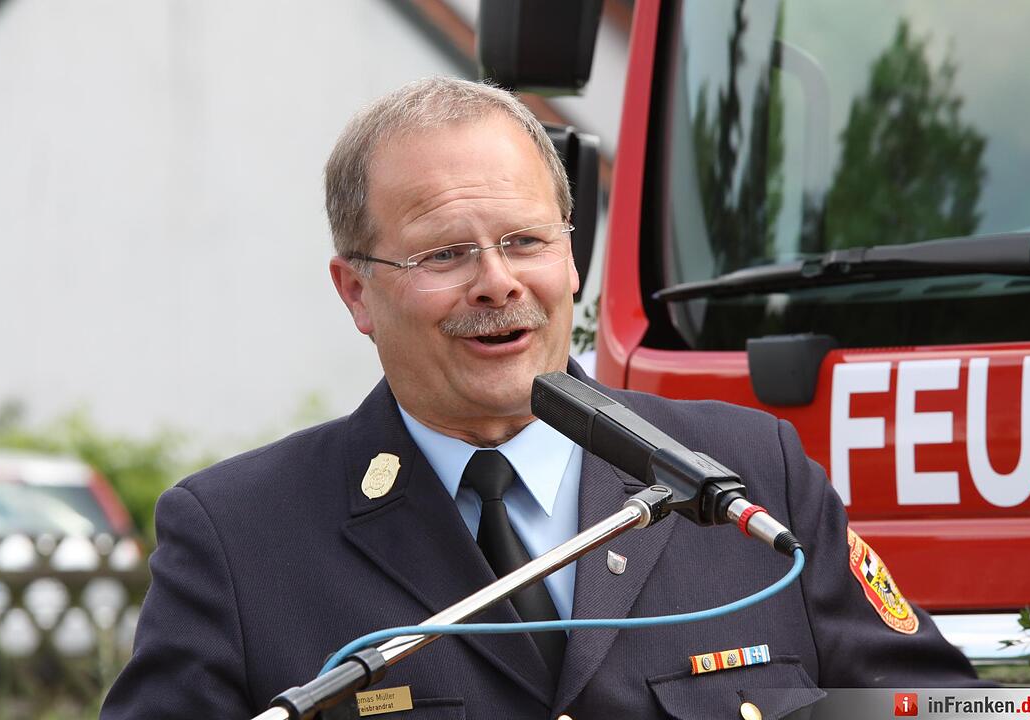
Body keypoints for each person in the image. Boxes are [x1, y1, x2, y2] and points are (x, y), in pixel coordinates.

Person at [101, 77, 982, 720]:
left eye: (525, 240)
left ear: (571, 257)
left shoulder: (751, 477)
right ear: (357, 292)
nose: (497, 283)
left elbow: (933, 710)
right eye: (443, 254)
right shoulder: (239, 537)